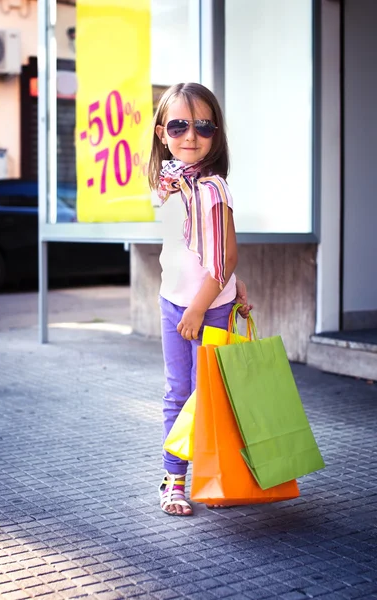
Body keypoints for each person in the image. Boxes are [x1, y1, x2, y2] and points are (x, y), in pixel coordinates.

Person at [148, 82, 251, 516]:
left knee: (210, 394)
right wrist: (185, 300)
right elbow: (192, 247)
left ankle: (216, 475)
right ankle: (174, 481)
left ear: (217, 134)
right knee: (178, 392)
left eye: (204, 126)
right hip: (173, 300)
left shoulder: (214, 188)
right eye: (179, 125)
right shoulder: (165, 185)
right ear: (161, 133)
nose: (191, 135)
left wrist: (202, 303)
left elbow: (225, 255)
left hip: (207, 307)